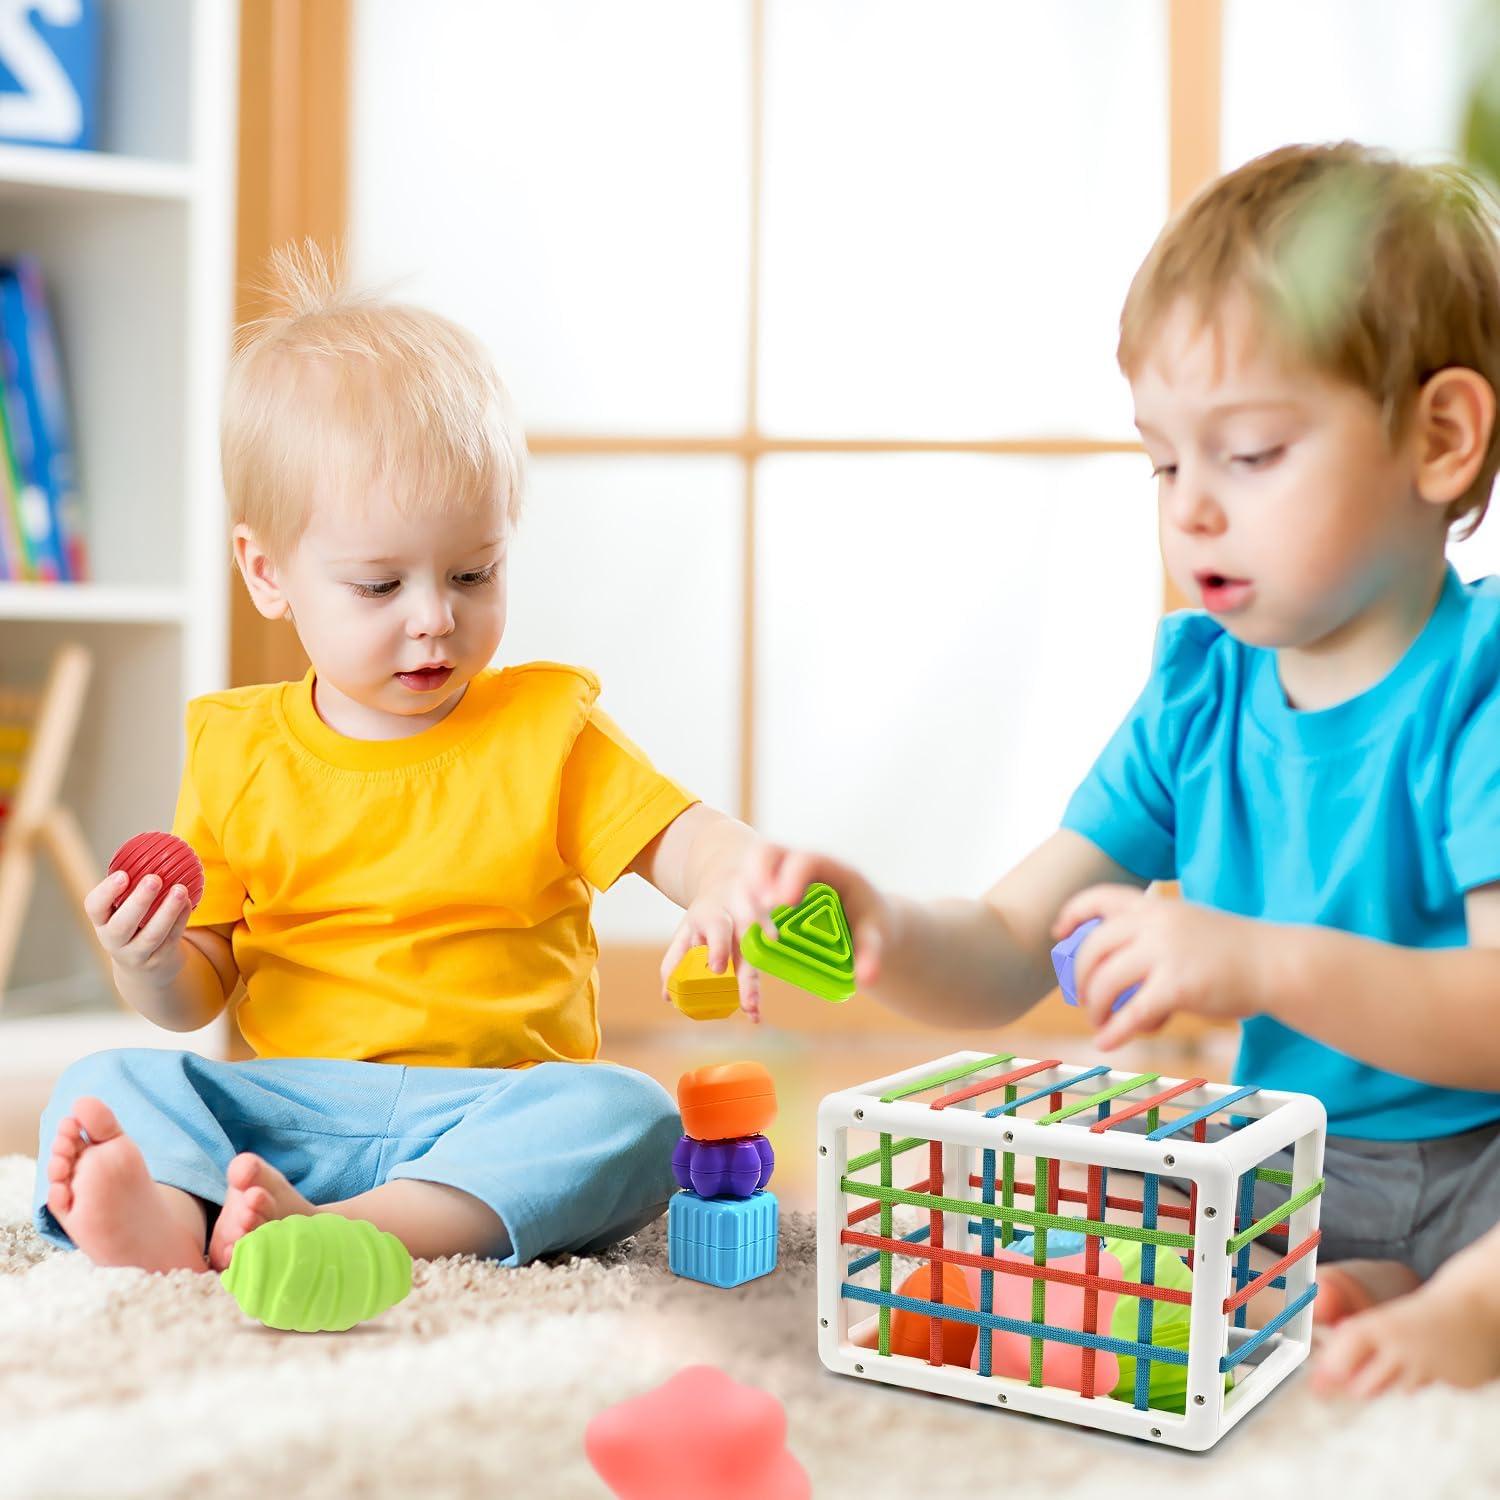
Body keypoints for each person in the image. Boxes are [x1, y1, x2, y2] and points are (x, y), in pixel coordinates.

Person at [743, 143, 1500, 1392]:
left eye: (1249, 454)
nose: (1191, 506)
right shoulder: (1196, 698)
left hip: (1486, 1153)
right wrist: (881, 922)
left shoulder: (1476, 686)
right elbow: (1004, 941)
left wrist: (1258, 961)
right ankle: (1356, 1281)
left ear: (1440, 438)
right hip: (1292, 1169)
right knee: (1095, 1214)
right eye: (1164, 460)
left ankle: (1462, 1310)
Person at [36, 247, 769, 1274]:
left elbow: (691, 840)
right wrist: (145, 960)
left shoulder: (548, 728)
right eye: (379, 587)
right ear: (268, 571)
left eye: (473, 572)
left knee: (633, 1116)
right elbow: (195, 995)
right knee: (106, 1078)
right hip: (290, 1107)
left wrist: (731, 883)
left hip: (492, 1111)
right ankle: (181, 1218)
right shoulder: (239, 749)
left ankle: (354, 1234)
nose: (435, 619)